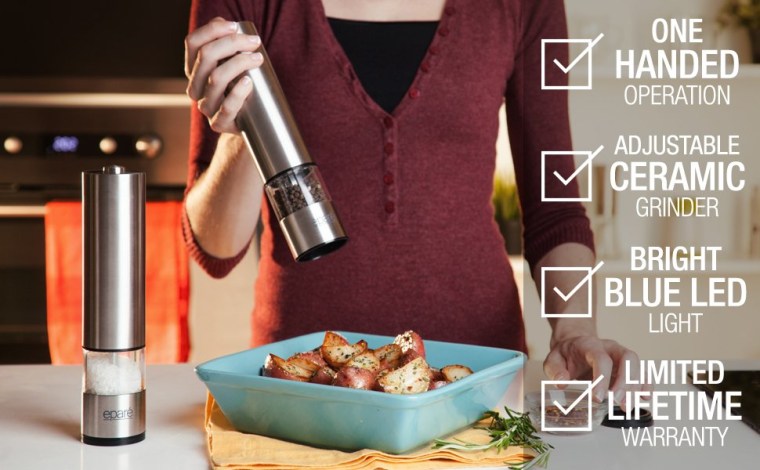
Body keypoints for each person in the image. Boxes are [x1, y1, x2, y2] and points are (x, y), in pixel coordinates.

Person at [182, 0, 646, 405]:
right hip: (310, 389)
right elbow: (217, 251)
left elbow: (555, 208)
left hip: (476, 381)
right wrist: (248, 120)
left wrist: (574, 330)